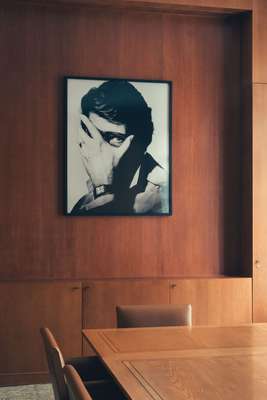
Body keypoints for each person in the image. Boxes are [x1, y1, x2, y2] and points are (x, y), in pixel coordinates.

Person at [71, 79, 168, 215]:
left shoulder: (164, 198)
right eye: (93, 136)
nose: (99, 151)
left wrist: (103, 188)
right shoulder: (84, 203)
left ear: (141, 140)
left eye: (115, 138)